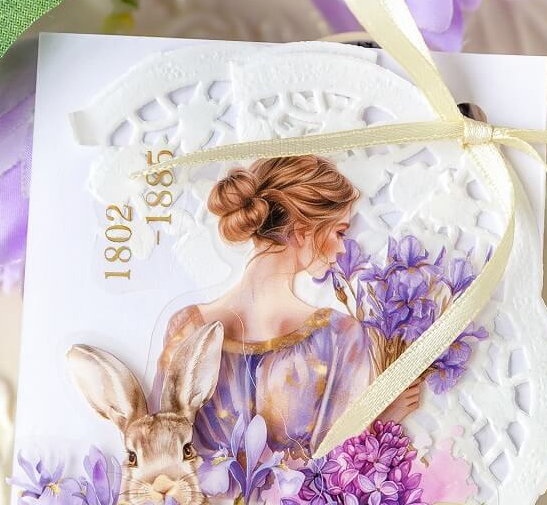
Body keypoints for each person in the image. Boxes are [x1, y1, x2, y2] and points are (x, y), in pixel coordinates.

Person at [153, 155, 421, 460]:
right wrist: (382, 421)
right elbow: (336, 464)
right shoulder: (338, 336)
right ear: (302, 231)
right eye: (339, 232)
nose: (342, 249)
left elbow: (160, 446)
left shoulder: (187, 326)